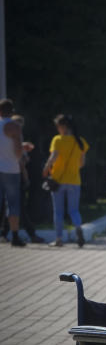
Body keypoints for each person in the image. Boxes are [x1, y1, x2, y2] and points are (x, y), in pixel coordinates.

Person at [41, 114, 89, 247]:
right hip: (74, 180)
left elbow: (54, 157)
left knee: (58, 211)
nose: (57, 129)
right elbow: (82, 163)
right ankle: (78, 228)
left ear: (63, 127)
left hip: (58, 180)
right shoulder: (80, 141)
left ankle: (59, 239)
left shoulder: (58, 140)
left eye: (58, 126)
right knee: (74, 210)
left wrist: (46, 168)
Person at [0, 115, 44, 244]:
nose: (20, 128)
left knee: (11, 206)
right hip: (14, 175)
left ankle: (5, 233)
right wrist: (25, 178)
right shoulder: (15, 137)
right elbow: (20, 161)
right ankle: (29, 234)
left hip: (8, 174)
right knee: (16, 207)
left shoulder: (8, 137)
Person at [0, 98, 26, 246]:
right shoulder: (14, 126)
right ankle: (15, 236)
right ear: (12, 111)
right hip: (11, 169)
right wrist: (22, 152)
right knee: (13, 203)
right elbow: (17, 151)